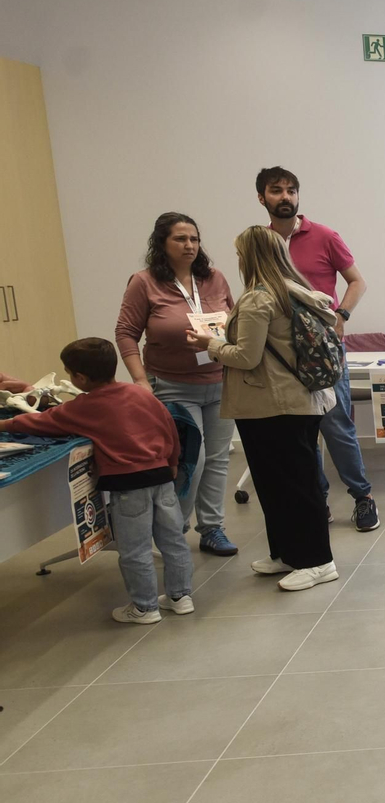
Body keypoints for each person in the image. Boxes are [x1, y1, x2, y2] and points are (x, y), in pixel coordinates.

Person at [190, 226, 341, 591]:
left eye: (241, 254)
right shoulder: (295, 291)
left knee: (292, 485)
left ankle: (317, 561)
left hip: (273, 404)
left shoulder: (259, 298)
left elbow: (245, 356)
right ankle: (288, 553)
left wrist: (211, 345)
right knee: (278, 483)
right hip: (293, 401)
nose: (238, 260)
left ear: (252, 257)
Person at [0, 339, 194, 624]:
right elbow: (169, 429)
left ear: (80, 378)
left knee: (134, 548)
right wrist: (173, 462)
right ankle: (180, 597)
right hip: (162, 479)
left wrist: (5, 424)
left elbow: (42, 421)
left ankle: (144, 607)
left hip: (128, 487)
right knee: (173, 540)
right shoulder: (141, 394)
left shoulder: (84, 406)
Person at [257, 166, 379, 532]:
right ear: (262, 198)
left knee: (336, 425)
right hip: (281, 352)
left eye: (291, 190)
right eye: (276, 191)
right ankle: (317, 499)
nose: (286, 197)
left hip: (324, 350)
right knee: (299, 430)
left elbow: (357, 281)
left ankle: (363, 497)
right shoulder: (260, 243)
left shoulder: (324, 236)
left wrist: (341, 315)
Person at [116, 212, 239, 556]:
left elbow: (235, 323)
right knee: (191, 460)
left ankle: (212, 528)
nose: (189, 246)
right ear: (162, 243)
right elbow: (125, 333)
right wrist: (140, 380)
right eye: (180, 239)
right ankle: (175, 530)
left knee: (217, 459)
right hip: (172, 385)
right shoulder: (144, 282)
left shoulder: (214, 278)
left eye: (194, 240)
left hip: (221, 381)